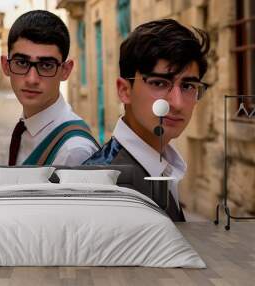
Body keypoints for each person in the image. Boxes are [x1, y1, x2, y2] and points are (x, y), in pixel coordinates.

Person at [84, 19, 210, 221]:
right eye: (159, 83)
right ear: (125, 90)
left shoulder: (162, 165)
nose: (176, 103)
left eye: (188, 86)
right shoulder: (100, 189)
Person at [1, 10, 99, 166]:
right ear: (6, 66)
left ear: (65, 70)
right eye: (22, 63)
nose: (32, 79)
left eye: (46, 65)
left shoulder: (74, 151)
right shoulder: (26, 127)